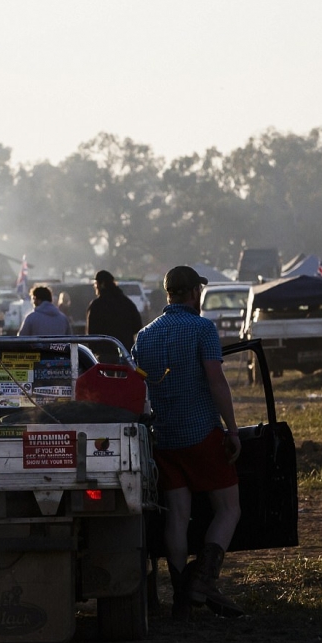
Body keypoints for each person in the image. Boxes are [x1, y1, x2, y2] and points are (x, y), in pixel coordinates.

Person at [132, 265, 243, 620]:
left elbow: (141, 389)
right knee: (229, 508)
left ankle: (181, 595)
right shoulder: (202, 328)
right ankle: (205, 580)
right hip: (200, 433)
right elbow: (216, 382)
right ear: (195, 292)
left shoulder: (144, 335)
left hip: (163, 439)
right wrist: (234, 429)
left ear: (168, 293)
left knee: (177, 517)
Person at [86, 270, 143, 349]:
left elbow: (91, 333)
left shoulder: (96, 305)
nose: (95, 286)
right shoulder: (127, 303)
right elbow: (138, 325)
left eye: (96, 284)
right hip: (125, 351)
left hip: (104, 353)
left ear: (102, 284)